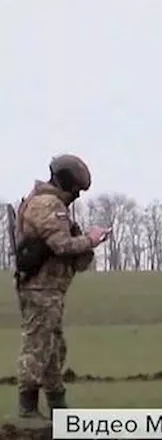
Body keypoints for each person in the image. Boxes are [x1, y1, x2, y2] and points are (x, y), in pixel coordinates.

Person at [13, 154, 112, 418]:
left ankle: (58, 404)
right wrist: (90, 240)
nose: (77, 195)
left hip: (50, 289)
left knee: (53, 348)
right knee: (37, 345)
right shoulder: (47, 204)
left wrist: (87, 241)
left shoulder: (45, 202)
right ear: (67, 182)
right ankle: (28, 408)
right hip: (41, 290)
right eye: (77, 189)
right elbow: (61, 245)